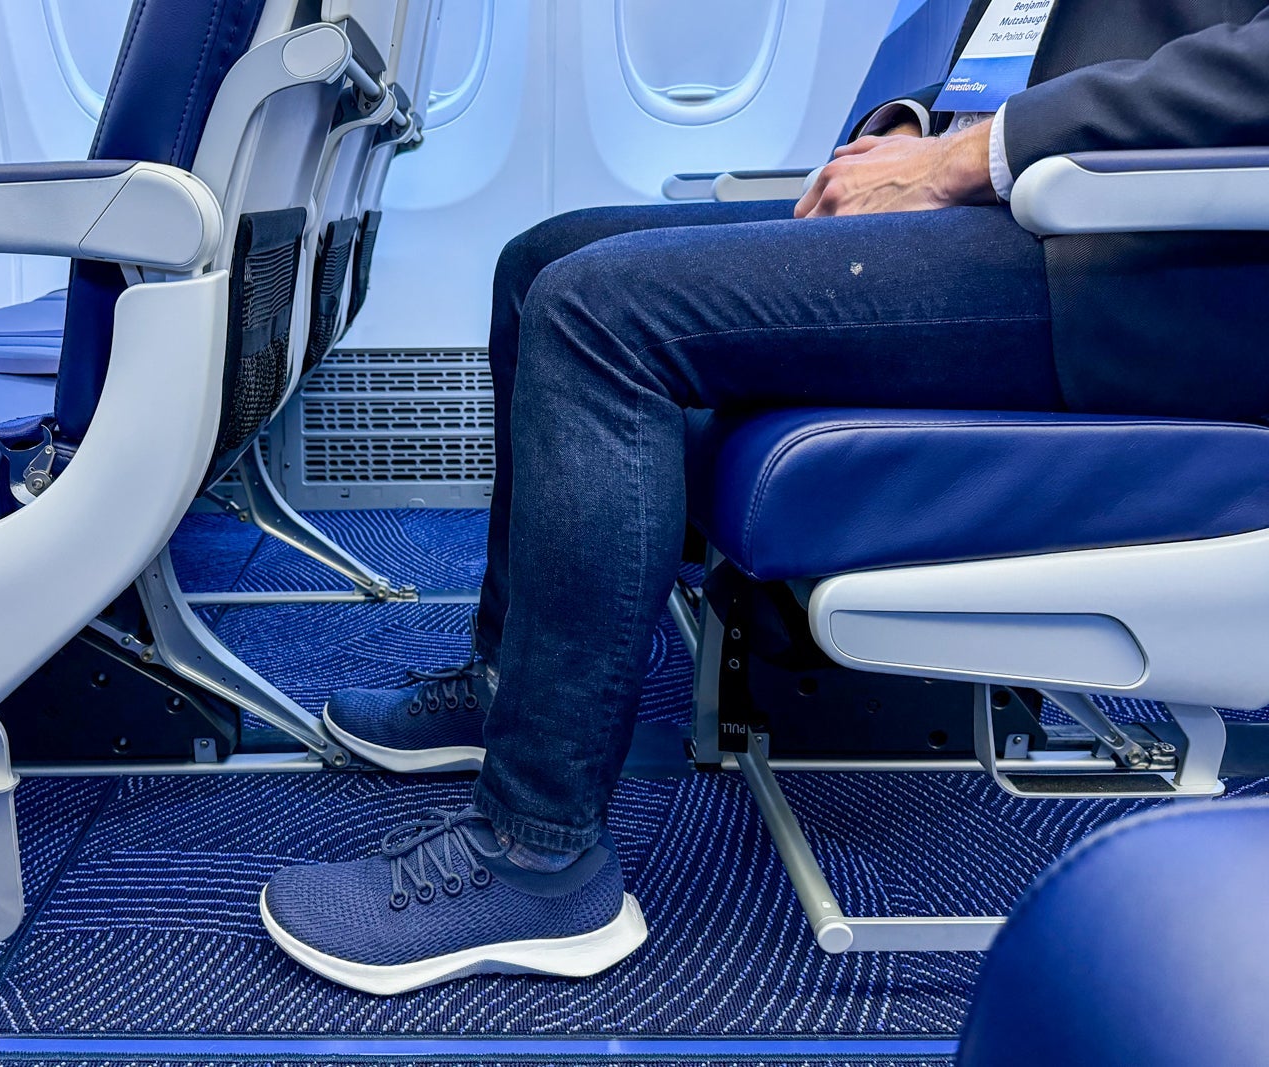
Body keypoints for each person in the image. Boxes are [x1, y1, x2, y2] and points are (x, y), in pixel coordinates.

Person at [259, 0, 1269, 995]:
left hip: (1132, 257)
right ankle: (511, 691)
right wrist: (916, 127)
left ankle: (539, 850)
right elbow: (1035, 52)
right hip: (1022, 214)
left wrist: (976, 154)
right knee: (542, 258)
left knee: (595, 315)